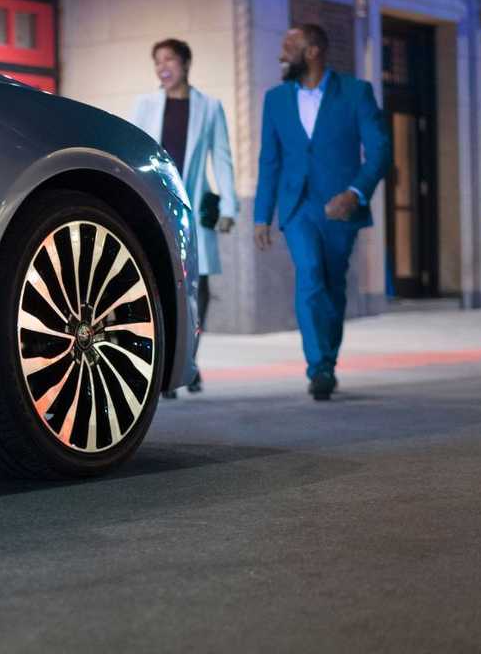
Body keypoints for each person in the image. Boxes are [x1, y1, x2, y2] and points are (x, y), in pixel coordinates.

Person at [254, 23, 392, 401]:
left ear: (313, 50)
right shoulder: (275, 99)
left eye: (289, 45)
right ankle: (318, 367)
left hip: (339, 207)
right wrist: (261, 215)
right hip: (297, 206)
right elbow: (270, 160)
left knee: (332, 281)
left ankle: (327, 360)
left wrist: (355, 193)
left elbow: (380, 150)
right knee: (310, 274)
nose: (282, 53)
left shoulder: (356, 92)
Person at [129, 38, 237, 397]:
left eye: (169, 59)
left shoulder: (209, 107)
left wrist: (229, 207)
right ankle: (164, 367)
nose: (162, 66)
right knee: (159, 282)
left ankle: (189, 361)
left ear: (186, 64)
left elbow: (222, 158)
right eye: (157, 60)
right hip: (156, 205)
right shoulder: (144, 105)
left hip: (194, 206)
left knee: (198, 287)